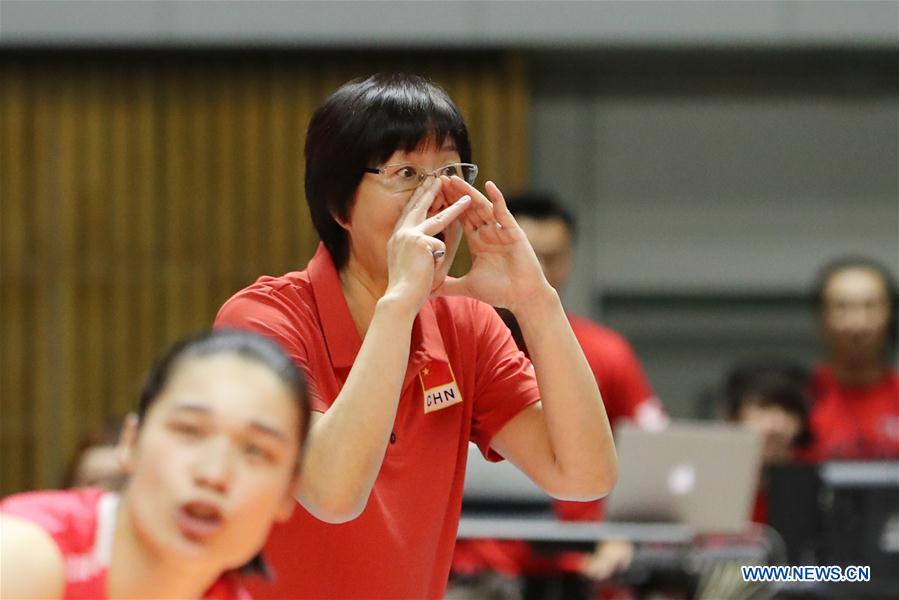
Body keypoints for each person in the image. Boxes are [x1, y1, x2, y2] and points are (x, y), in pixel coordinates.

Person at [214, 73, 618, 599]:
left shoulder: (465, 325)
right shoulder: (262, 321)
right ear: (339, 206)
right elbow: (333, 494)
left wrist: (536, 302)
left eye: (450, 171)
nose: (435, 198)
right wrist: (401, 303)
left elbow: (584, 475)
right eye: (406, 172)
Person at [450, 193, 666, 599]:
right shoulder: (452, 340)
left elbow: (654, 453)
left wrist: (623, 538)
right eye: (529, 254)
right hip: (471, 570)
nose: (539, 269)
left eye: (553, 257)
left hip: (577, 568)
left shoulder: (607, 352)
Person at [1, 330, 311, 599]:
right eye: (189, 430)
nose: (214, 474)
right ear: (131, 443)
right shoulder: (21, 556)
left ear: (287, 494)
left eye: (255, 451)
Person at [806, 256, 899, 460]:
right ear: (822, 318)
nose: (857, 323)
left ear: (890, 316)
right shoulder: (800, 399)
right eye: (842, 307)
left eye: (870, 306)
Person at [718, 358, 811, 523]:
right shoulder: (710, 488)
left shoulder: (817, 492)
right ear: (732, 418)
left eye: (789, 410)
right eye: (763, 407)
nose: (777, 425)